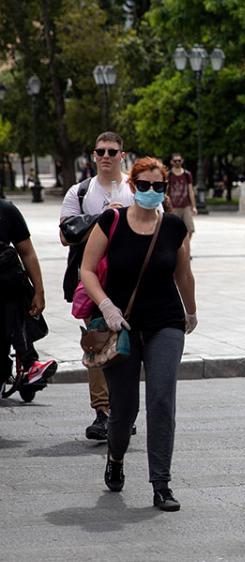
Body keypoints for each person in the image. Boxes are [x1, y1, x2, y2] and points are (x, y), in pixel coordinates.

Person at [80, 156, 197, 512]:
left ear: (164, 189)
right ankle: (115, 458)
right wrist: (107, 307)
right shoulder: (112, 220)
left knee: (162, 400)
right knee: (124, 409)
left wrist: (190, 311)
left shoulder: (174, 227)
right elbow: (87, 270)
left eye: (157, 187)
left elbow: (183, 274)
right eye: (143, 186)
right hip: (122, 327)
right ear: (133, 187)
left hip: (165, 323)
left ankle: (161, 483)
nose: (150, 191)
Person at [59, 131, 134, 441]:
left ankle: (124, 410)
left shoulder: (135, 187)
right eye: (100, 151)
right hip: (91, 279)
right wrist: (101, 218)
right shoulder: (79, 192)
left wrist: (124, 215)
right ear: (92, 155)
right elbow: (66, 236)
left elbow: (153, 225)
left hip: (130, 279)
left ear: (122, 154)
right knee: (96, 341)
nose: (106, 156)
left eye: (112, 151)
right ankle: (103, 412)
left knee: (128, 348)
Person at [0, 199, 57, 390]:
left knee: (16, 300)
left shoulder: (6, 210)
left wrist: (39, 291)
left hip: (8, 289)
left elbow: (27, 252)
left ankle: (29, 364)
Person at [166, 154, 197, 256]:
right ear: (171, 162)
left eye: (179, 160)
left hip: (185, 205)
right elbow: (166, 190)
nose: (177, 163)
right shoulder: (169, 174)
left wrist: (194, 206)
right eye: (175, 161)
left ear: (182, 161)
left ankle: (186, 249)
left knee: (190, 229)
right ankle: (177, 249)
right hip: (173, 206)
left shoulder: (187, 174)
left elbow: (190, 190)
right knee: (173, 230)